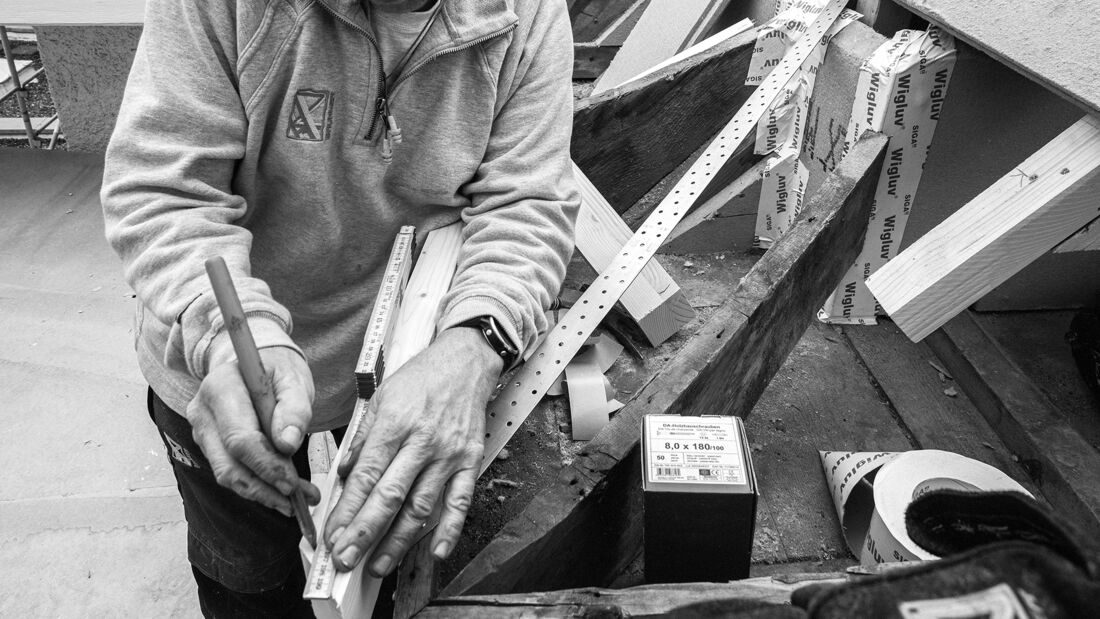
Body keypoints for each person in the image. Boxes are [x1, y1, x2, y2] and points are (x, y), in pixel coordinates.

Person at [100, 0, 579, 615]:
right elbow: (164, 189)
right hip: (232, 374)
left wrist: (473, 347)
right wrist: (228, 331)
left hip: (403, 377)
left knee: (373, 587)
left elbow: (528, 203)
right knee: (249, 584)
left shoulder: (529, 11)